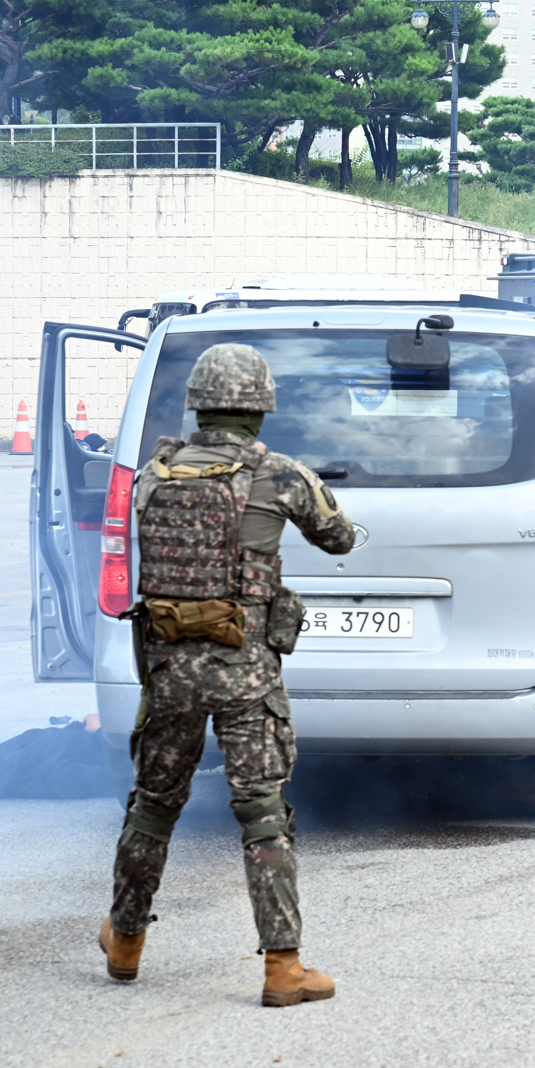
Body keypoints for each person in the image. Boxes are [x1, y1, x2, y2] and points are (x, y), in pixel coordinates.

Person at [100, 343, 357, 1007]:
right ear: (262, 405)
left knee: (153, 806)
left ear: (199, 402)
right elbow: (339, 538)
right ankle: (283, 967)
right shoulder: (280, 476)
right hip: (245, 668)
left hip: (169, 667)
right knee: (263, 813)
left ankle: (125, 942)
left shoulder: (153, 475)